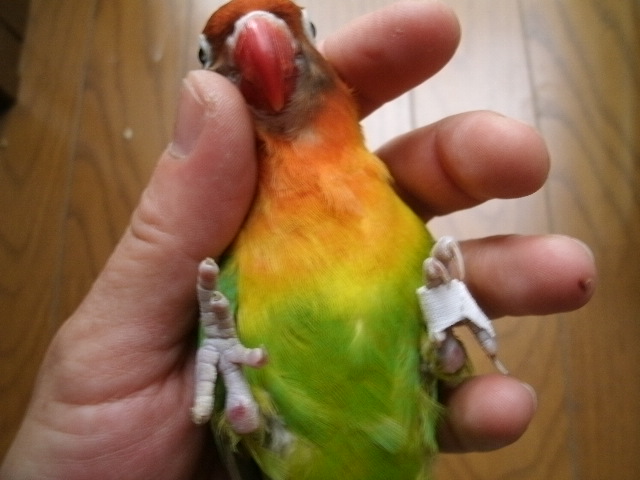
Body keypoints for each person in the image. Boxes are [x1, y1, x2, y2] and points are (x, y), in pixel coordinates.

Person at [0, 2, 595, 479]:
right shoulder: (226, 259)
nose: (259, 40)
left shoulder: (405, 229)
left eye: (300, 29)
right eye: (212, 56)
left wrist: (442, 330)